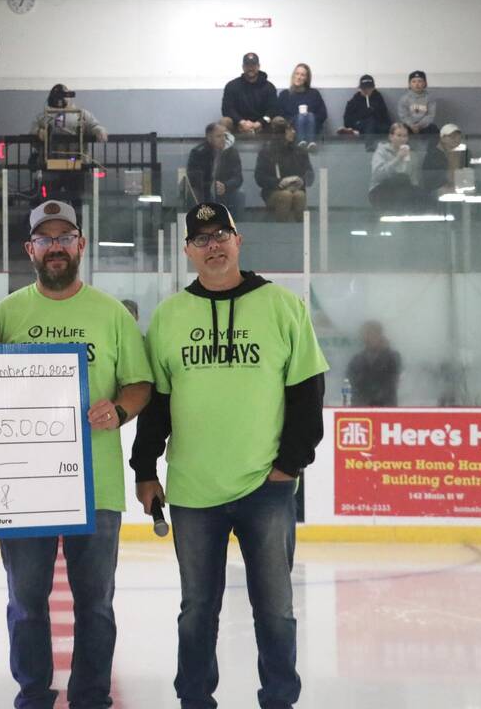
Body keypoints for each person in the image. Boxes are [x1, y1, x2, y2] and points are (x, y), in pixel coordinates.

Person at [131, 201, 328, 709]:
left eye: (222, 235)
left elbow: (307, 394)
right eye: (202, 239)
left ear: (238, 241)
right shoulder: (170, 315)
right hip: (195, 491)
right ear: (188, 252)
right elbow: (158, 405)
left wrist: (288, 468)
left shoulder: (283, 306)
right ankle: (195, 700)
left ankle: (279, 700)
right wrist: (145, 469)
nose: (213, 245)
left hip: (267, 487)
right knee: (197, 609)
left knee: (276, 609)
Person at [0, 199, 153, 709]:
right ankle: (34, 692)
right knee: (26, 602)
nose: (54, 246)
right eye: (45, 238)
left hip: (96, 487)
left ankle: (91, 696)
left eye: (64, 237)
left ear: (80, 245)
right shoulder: (4, 315)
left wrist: (119, 411)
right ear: (29, 249)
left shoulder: (112, 314)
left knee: (96, 605)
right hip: (24, 488)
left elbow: (140, 383)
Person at [31, 83, 107, 215]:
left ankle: (78, 229)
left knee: (78, 202)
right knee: (49, 202)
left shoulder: (81, 114)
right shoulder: (44, 116)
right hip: (51, 166)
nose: (60, 99)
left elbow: (94, 125)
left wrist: (99, 131)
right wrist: (39, 132)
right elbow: (32, 131)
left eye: (64, 95)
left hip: (76, 167)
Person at [254, 117, 314, 222]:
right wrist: (279, 182)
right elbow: (260, 177)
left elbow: (310, 174)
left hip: (297, 189)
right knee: (285, 196)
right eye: (289, 129)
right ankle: (281, 230)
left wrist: (302, 180)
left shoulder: (300, 151)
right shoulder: (267, 151)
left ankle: (302, 231)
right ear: (281, 133)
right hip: (273, 191)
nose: (293, 132)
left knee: (300, 196)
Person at [185, 121, 245, 218]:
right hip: (204, 188)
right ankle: (199, 226)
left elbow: (238, 177)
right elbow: (192, 177)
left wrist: (226, 186)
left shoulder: (231, 152)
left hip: (225, 189)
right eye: (219, 136)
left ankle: (234, 227)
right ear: (209, 138)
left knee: (240, 195)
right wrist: (210, 185)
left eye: (224, 136)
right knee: (194, 194)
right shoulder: (198, 152)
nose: (223, 139)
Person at [346, 321, 402, 406]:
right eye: (366, 334)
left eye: (373, 334)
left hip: (385, 408)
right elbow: (351, 382)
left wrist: (385, 350)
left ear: (380, 335)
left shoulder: (392, 357)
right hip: (362, 407)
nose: (369, 337)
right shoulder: (356, 359)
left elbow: (392, 381)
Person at [369, 123, 422, 210]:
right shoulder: (381, 152)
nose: (402, 139)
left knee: (421, 197)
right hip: (382, 188)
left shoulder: (412, 155)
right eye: (399, 135)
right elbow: (377, 176)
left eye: (405, 136)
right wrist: (398, 158)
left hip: (405, 189)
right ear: (391, 137)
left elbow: (413, 178)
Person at [222, 52, 278, 135]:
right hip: (238, 124)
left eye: (253, 65)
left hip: (262, 124)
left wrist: (259, 123)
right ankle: (226, 147)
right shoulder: (232, 86)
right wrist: (241, 122)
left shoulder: (269, 87)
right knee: (224, 121)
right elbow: (227, 109)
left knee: (278, 121)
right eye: (247, 65)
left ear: (258, 66)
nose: (250, 68)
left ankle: (279, 148)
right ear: (243, 67)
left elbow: (273, 110)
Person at [276, 63, 328, 150]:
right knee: (301, 117)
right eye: (297, 74)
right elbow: (280, 115)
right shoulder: (284, 95)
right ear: (293, 75)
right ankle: (301, 142)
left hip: (312, 128)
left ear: (307, 78)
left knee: (309, 115)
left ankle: (310, 142)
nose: (299, 77)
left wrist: (309, 117)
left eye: (302, 75)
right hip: (291, 129)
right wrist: (290, 125)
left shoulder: (314, 94)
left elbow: (323, 114)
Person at [420, 123, 467, 197]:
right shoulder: (432, 155)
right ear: (443, 138)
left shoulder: (464, 154)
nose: (456, 140)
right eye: (452, 137)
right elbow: (429, 179)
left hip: (460, 189)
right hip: (437, 191)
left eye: (458, 137)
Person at [339, 74, 391, 139]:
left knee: (372, 122)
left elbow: (385, 116)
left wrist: (374, 112)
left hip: (377, 126)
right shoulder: (354, 101)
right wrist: (363, 114)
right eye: (364, 88)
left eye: (369, 88)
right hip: (360, 125)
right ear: (360, 88)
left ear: (373, 88)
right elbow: (347, 120)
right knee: (369, 122)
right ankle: (369, 146)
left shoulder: (378, 99)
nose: (366, 91)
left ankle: (357, 133)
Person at [396, 70, 438, 136]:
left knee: (433, 129)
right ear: (409, 84)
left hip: (425, 126)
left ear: (424, 83)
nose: (417, 84)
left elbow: (430, 115)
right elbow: (404, 116)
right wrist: (412, 125)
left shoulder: (430, 98)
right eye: (414, 81)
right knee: (400, 130)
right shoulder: (404, 99)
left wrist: (419, 125)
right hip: (409, 126)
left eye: (420, 81)